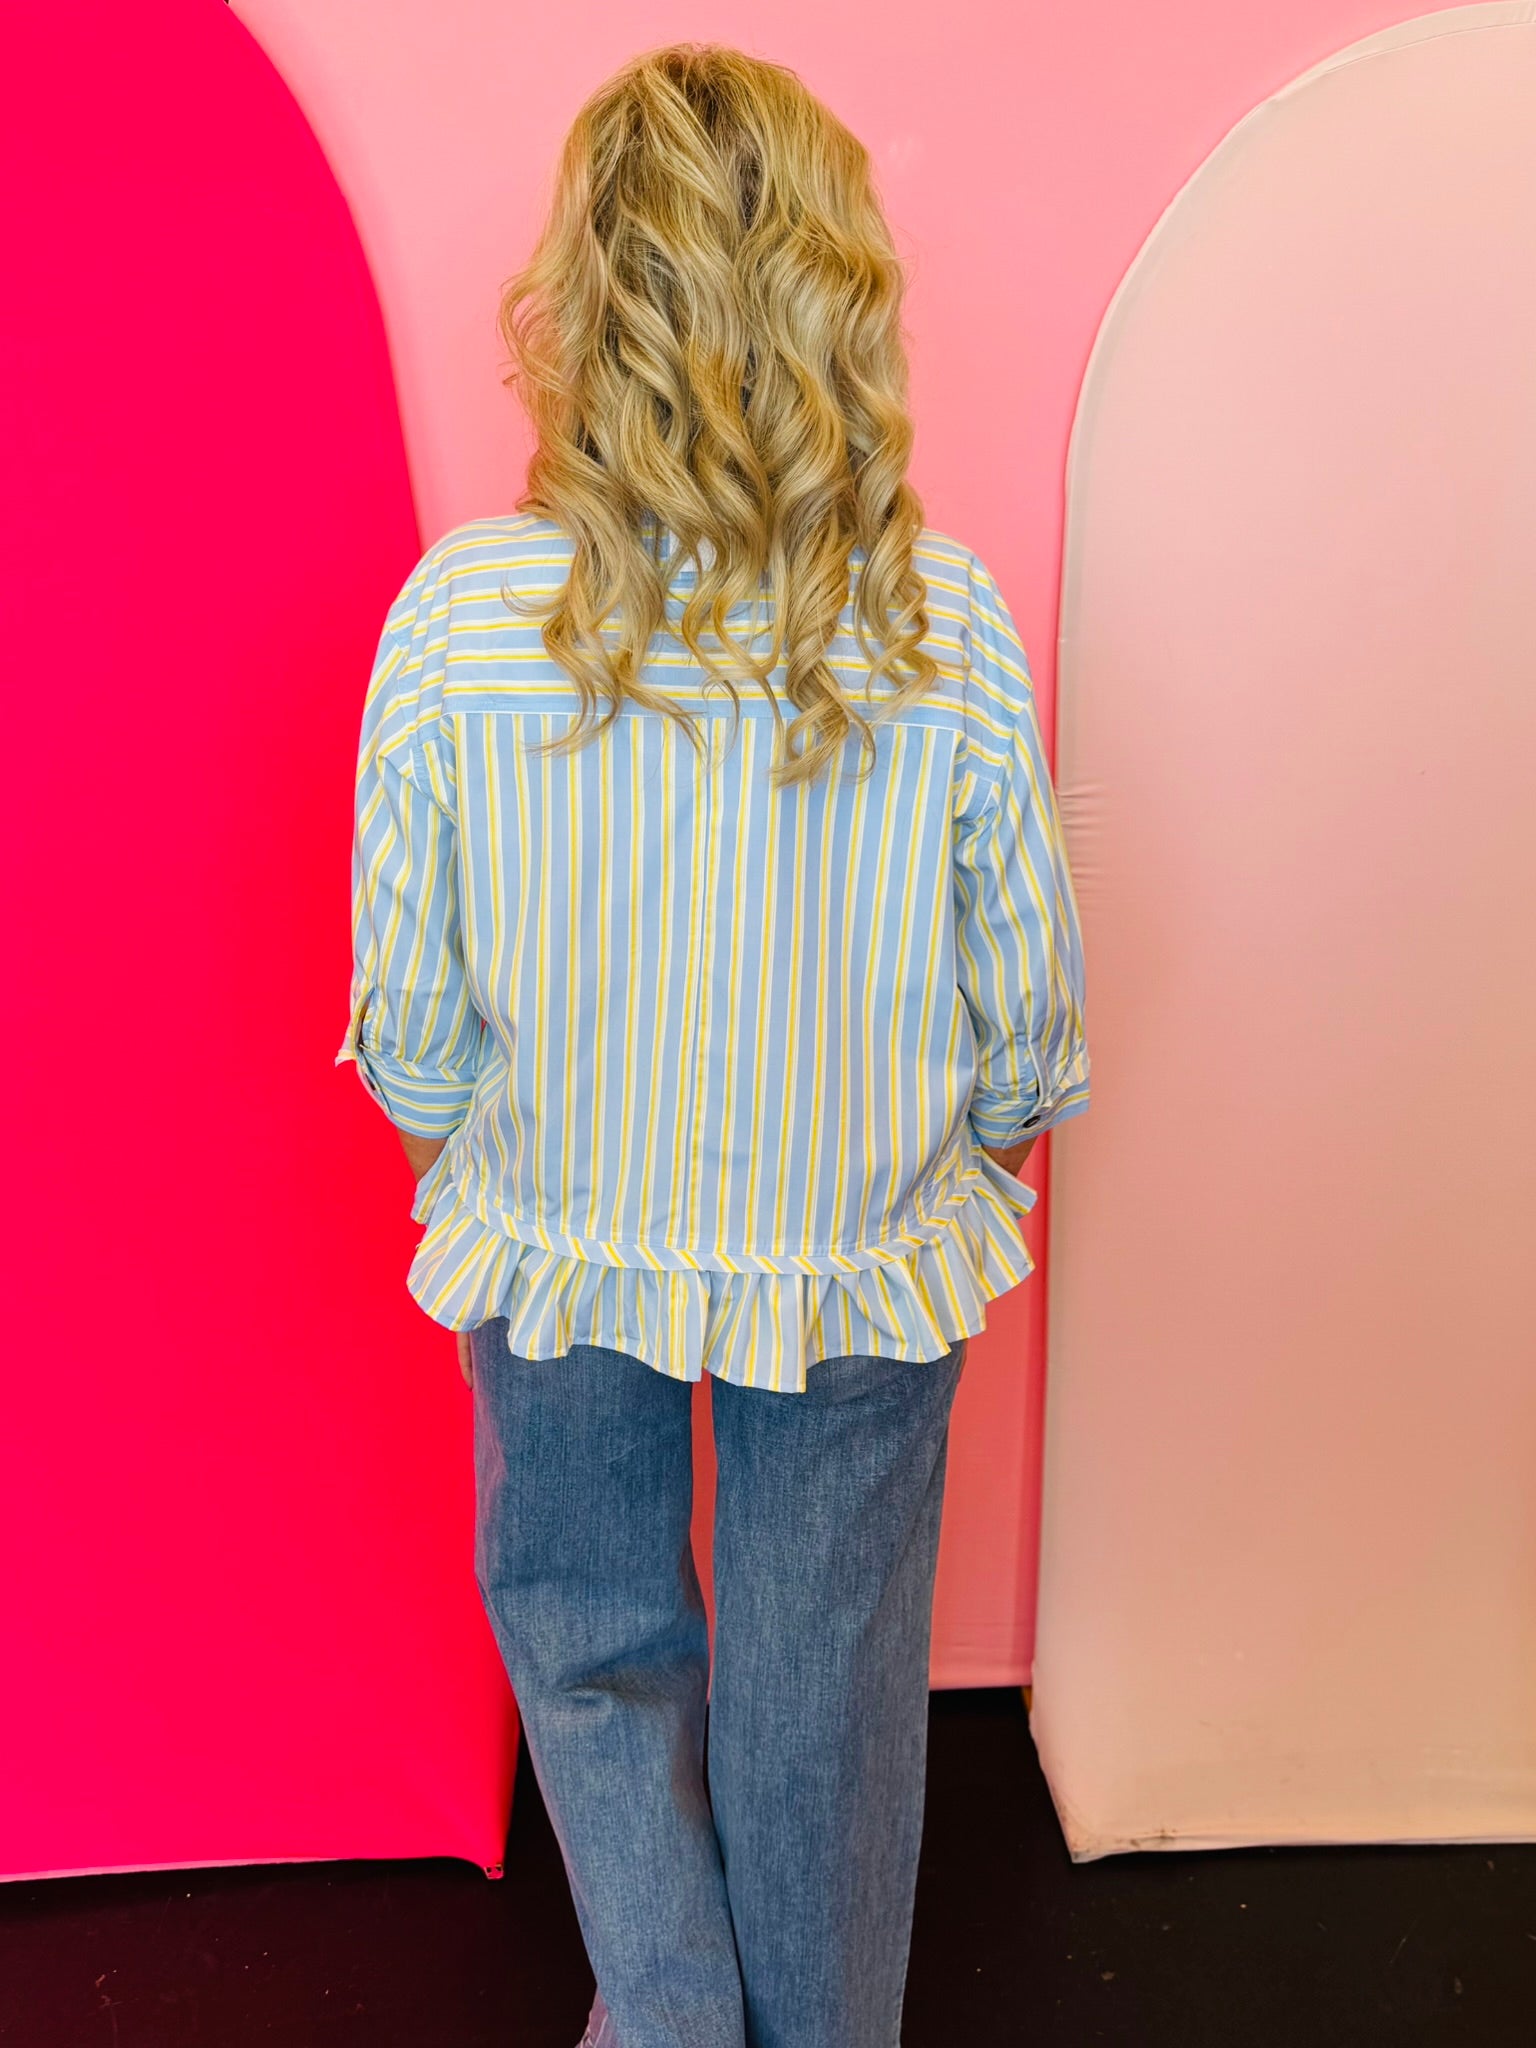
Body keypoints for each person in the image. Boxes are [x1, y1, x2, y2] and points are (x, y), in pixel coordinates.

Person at [336, 41, 1090, 2048]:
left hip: (555, 1235)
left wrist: (480, 1157)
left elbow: (409, 1023)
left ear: (580, 305)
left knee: (589, 1637)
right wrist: (965, 1152)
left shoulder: (461, 621)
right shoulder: (939, 622)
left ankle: (669, 2019)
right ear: (840, 295)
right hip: (862, 1242)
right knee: (826, 1683)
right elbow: (1028, 1017)